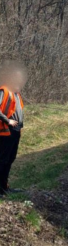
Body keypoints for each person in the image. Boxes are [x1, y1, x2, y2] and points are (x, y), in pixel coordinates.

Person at [0, 62, 27, 195]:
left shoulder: (16, 94)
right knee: (2, 160)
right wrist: (8, 120)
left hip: (16, 131)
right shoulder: (4, 90)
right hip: (5, 132)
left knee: (10, 159)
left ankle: (4, 187)